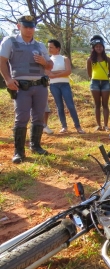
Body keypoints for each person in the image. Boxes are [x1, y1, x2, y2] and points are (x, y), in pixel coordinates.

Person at [0, 15, 53, 164]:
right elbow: (2, 61)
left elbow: (50, 66)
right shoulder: (10, 42)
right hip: (21, 87)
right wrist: (8, 79)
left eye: (32, 26)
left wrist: (45, 62)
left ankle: (36, 146)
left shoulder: (40, 45)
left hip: (40, 86)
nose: (29, 29)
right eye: (26, 26)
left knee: (39, 117)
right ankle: (19, 152)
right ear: (19, 26)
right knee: (22, 118)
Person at [46, 39, 85, 134]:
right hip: (53, 85)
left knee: (70, 105)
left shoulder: (64, 59)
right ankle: (64, 126)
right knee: (59, 106)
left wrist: (54, 74)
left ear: (57, 48)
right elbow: (47, 73)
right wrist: (61, 72)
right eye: (48, 47)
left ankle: (78, 126)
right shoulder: (47, 60)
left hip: (64, 85)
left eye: (51, 47)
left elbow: (68, 71)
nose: (49, 49)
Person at [86, 35, 110, 131]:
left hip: (105, 83)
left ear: (103, 47)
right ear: (93, 48)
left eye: (100, 46)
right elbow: (89, 73)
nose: (99, 48)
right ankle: (98, 125)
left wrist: (104, 77)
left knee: (105, 105)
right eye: (96, 46)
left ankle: (106, 125)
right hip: (95, 83)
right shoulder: (90, 60)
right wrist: (95, 78)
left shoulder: (108, 60)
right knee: (97, 105)